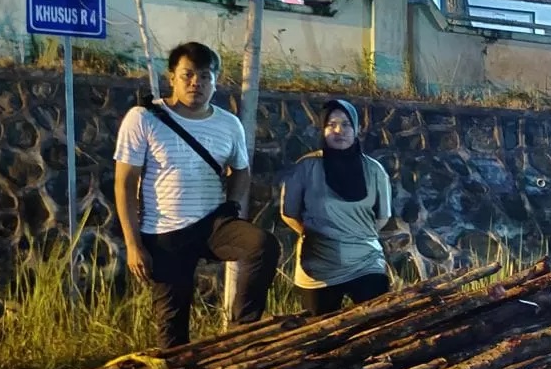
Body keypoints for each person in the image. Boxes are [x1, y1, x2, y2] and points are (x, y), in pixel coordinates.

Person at [113, 41, 280, 349]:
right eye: (188, 74)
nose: (196, 83)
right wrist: (133, 243)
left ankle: (242, 333)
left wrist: (232, 206)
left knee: (261, 244)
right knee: (172, 331)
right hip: (164, 233)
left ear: (215, 82)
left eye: (205, 76)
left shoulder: (229, 124)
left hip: (213, 224)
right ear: (172, 77)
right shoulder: (144, 118)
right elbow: (124, 183)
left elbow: (241, 170)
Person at [279, 98, 394, 315]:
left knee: (376, 326)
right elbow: (289, 213)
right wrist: (313, 235)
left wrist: (355, 235)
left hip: (366, 261)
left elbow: (382, 216)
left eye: (346, 124)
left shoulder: (374, 170)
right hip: (319, 264)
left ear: (357, 129)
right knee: (320, 334)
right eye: (331, 125)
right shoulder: (305, 168)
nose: (339, 130)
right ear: (322, 129)